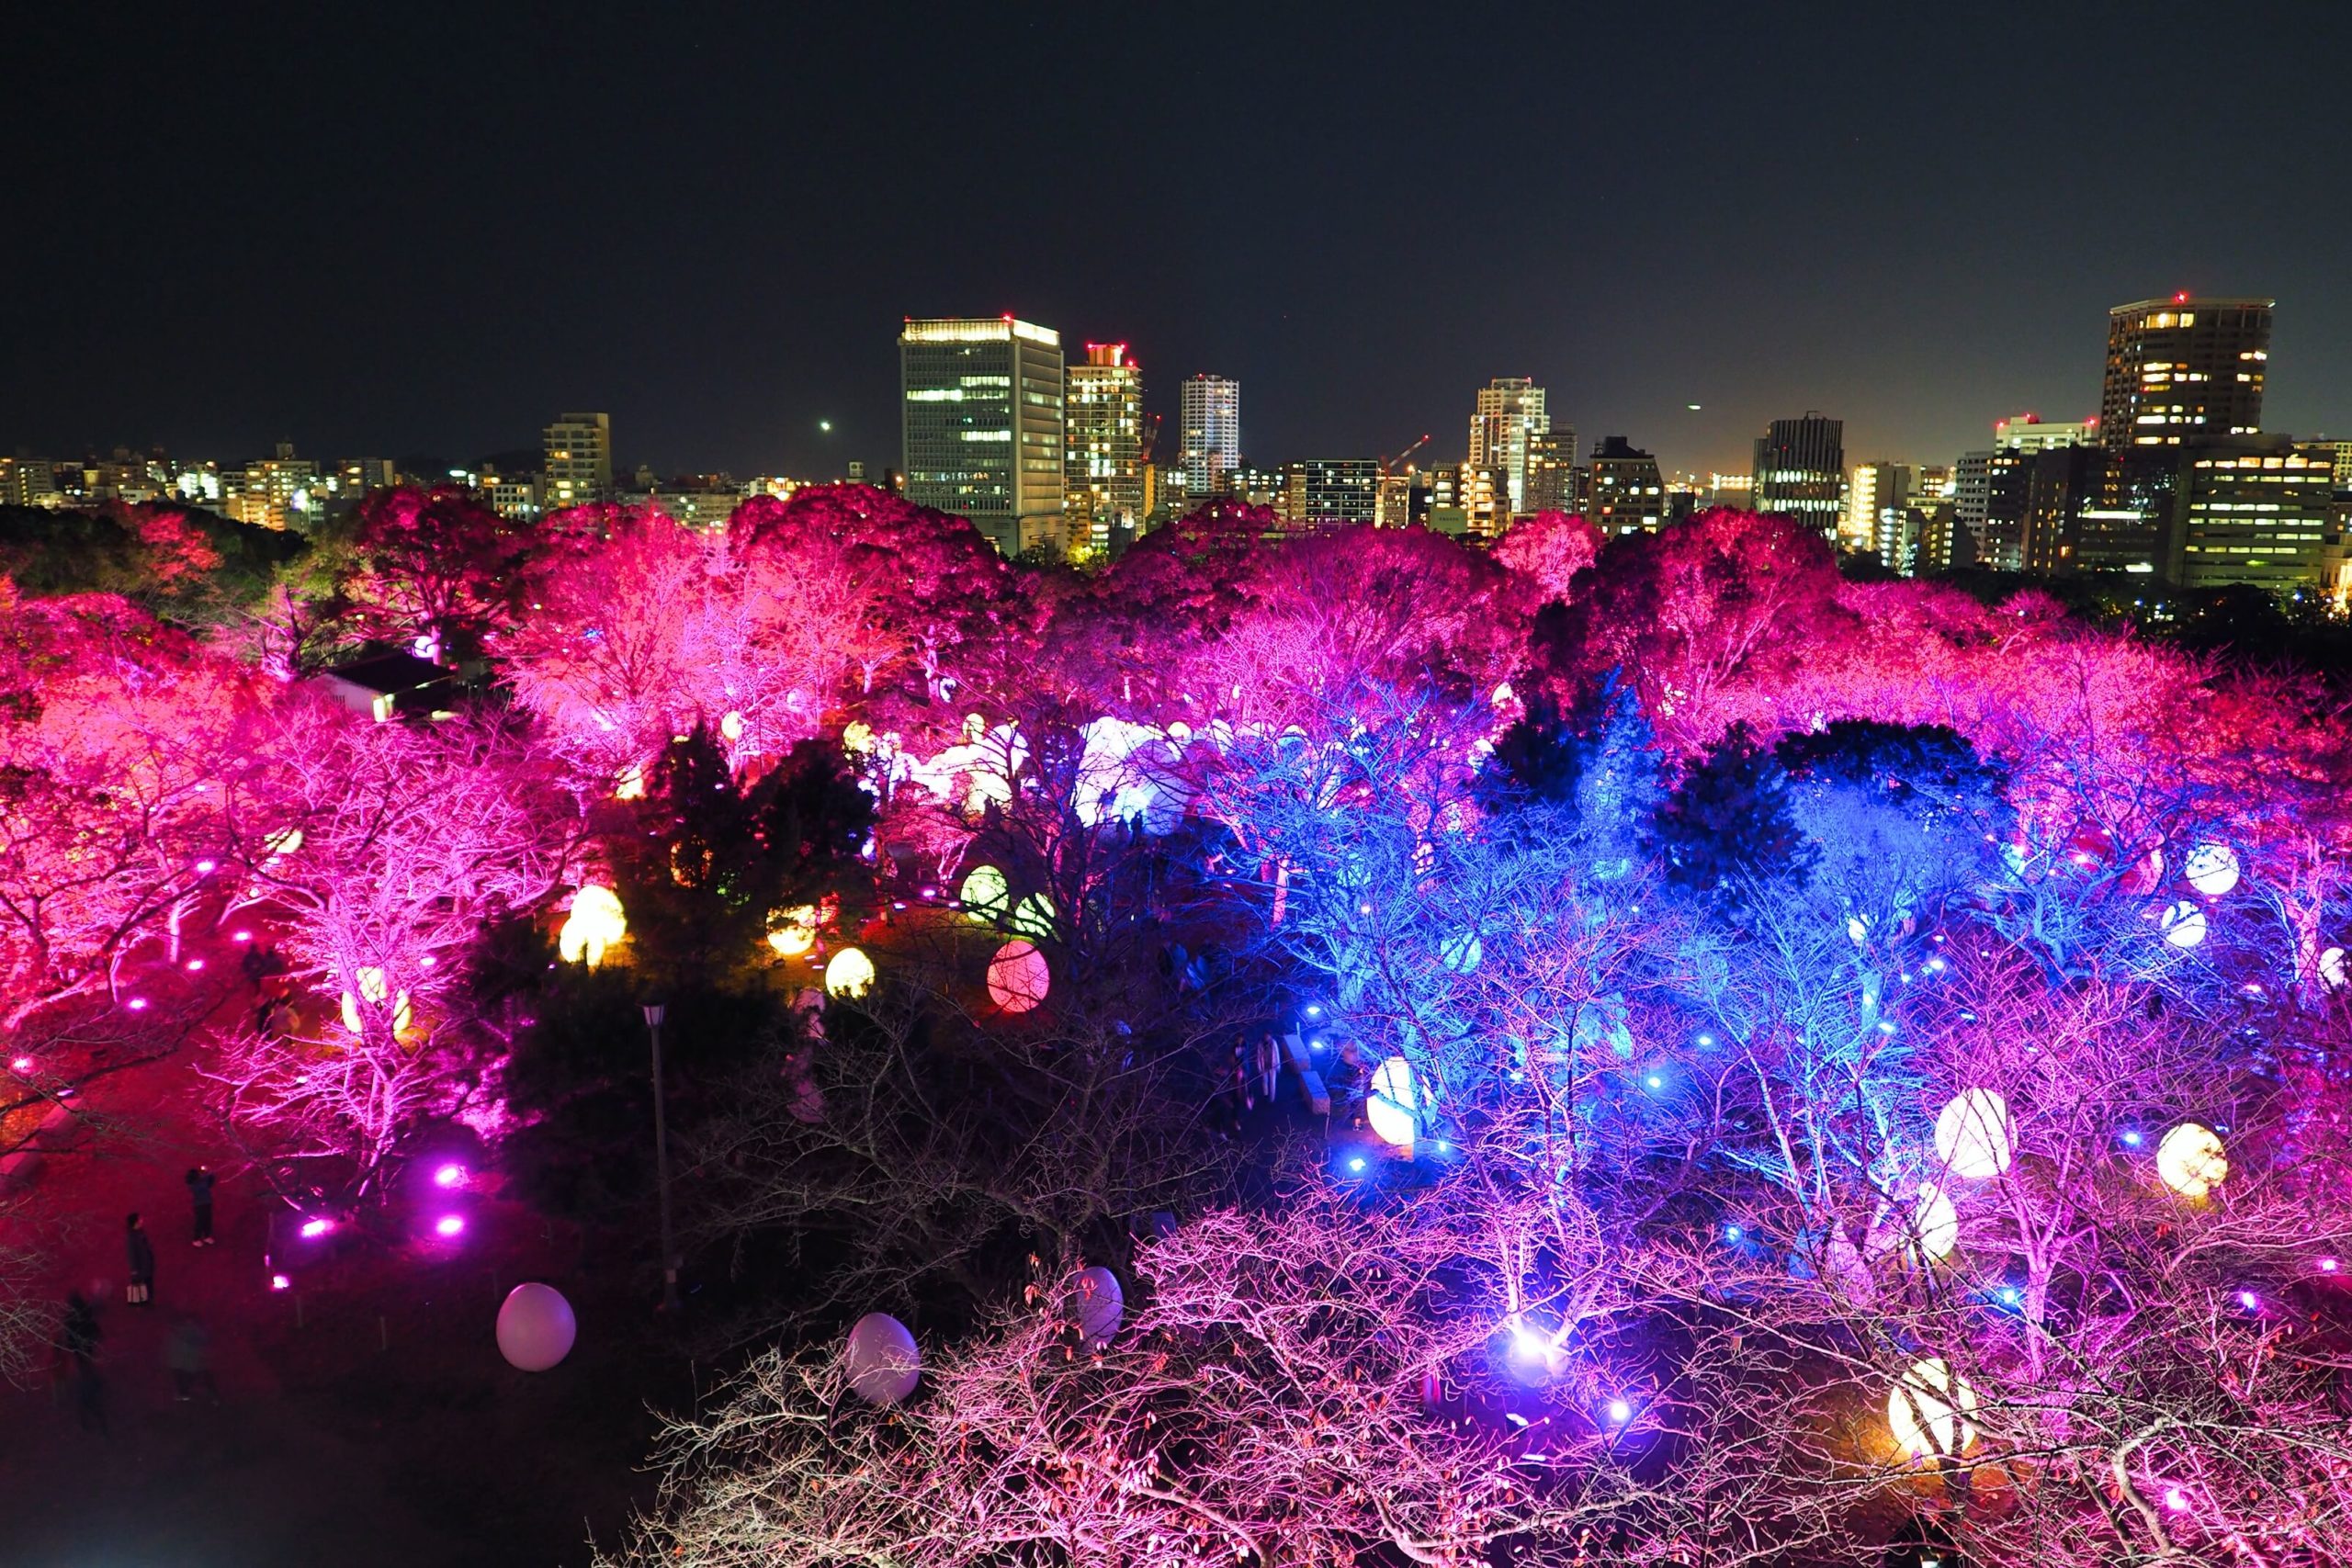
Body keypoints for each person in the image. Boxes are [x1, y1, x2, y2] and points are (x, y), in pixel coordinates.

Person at [59, 1291, 105, 1436]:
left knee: (84, 1370)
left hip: (79, 1351)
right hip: (86, 1348)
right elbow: (94, 1328)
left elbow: (69, 1338)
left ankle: (86, 1411)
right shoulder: (86, 1313)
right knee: (86, 1368)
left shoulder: (70, 1318)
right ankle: (90, 1398)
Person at [165, 1314, 220, 1404]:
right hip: (191, 1362)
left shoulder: (188, 1331)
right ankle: (212, 1397)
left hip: (194, 1362)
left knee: (202, 1379)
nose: (188, 1323)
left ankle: (213, 1398)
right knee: (192, 1379)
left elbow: (200, 1342)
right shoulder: (182, 1331)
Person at [124, 1213, 155, 1306]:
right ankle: (142, 1303)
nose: (142, 1220)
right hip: (142, 1267)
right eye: (140, 1219)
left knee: (147, 1283)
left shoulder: (139, 1232)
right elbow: (131, 1254)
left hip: (146, 1265)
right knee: (142, 1285)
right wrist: (134, 1270)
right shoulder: (131, 1237)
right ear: (135, 1222)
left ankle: (146, 1301)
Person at [186, 1165, 216, 1246]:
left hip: (206, 1203)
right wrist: (208, 1173)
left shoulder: (200, 1182)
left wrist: (209, 1174)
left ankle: (207, 1236)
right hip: (200, 1205)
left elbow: (210, 1182)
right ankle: (196, 1239)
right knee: (200, 1222)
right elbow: (206, 1183)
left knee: (207, 1220)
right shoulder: (194, 1185)